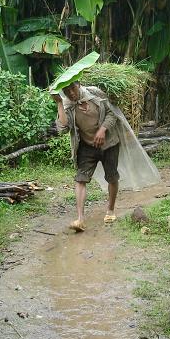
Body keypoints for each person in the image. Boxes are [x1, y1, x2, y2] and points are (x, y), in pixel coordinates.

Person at [52, 81, 121, 232]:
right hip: (87, 146)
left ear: (79, 84)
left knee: (112, 177)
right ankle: (80, 219)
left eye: (73, 88)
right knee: (80, 179)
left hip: (109, 144)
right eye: (66, 90)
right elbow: (63, 128)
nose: (70, 93)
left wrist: (102, 130)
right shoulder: (67, 104)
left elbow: (112, 113)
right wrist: (59, 102)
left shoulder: (95, 94)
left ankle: (110, 210)